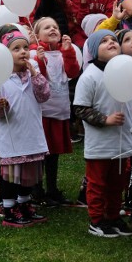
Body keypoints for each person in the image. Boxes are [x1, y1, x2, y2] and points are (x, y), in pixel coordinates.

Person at [73, 30, 132, 237]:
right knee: (98, 183)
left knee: (118, 183)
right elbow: (80, 108)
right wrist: (105, 120)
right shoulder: (90, 76)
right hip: (100, 144)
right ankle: (97, 219)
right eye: (104, 41)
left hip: (123, 140)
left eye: (113, 40)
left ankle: (112, 216)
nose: (111, 43)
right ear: (93, 51)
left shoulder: (126, 72)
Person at [0, 26, 50, 227]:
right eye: (16, 48)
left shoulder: (34, 73)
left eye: (25, 47)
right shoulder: (0, 78)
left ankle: (24, 204)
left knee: (29, 174)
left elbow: (44, 96)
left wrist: (35, 75)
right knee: (11, 175)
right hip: (13, 134)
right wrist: (0, 107)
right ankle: (9, 208)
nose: (23, 51)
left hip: (32, 132)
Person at [31, 17, 80, 205]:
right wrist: (40, 61)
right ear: (36, 35)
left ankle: (52, 189)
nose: (52, 29)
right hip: (43, 111)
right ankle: (37, 189)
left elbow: (73, 72)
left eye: (55, 27)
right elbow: (39, 79)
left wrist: (68, 53)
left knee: (54, 153)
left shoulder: (63, 52)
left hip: (59, 109)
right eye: (46, 27)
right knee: (40, 153)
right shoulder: (34, 53)